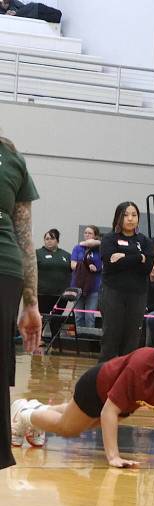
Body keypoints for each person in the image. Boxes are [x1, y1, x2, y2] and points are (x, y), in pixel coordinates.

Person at [12, 338, 154, 469]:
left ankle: (36, 408)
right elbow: (109, 410)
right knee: (69, 428)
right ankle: (23, 414)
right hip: (97, 388)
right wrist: (113, 456)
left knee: (81, 419)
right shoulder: (143, 366)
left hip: (126, 402)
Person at [1, 132, 42, 482]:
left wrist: (31, 303)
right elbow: (26, 240)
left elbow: (25, 237)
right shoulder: (13, 159)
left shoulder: (13, 159)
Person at [99, 201, 154, 361]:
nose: (130, 218)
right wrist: (139, 258)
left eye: (134, 215)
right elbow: (111, 264)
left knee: (132, 339)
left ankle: (126, 377)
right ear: (118, 217)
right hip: (113, 292)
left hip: (138, 294)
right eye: (126, 215)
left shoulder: (145, 241)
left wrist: (125, 256)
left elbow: (147, 268)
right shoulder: (109, 239)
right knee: (111, 336)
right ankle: (103, 375)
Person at [35, 228, 71, 341]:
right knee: (42, 317)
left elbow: (73, 271)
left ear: (57, 240)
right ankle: (38, 341)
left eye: (52, 238)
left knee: (56, 319)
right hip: (43, 293)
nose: (49, 241)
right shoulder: (38, 253)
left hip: (61, 295)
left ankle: (56, 342)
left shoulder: (66, 255)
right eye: (46, 239)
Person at [70, 225, 102, 330]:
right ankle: (80, 340)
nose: (87, 235)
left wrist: (96, 268)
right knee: (78, 316)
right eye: (85, 233)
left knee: (89, 316)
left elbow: (104, 265)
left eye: (90, 233)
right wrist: (87, 265)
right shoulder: (78, 248)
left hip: (93, 287)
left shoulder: (99, 249)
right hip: (78, 285)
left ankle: (89, 341)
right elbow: (73, 265)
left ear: (95, 235)